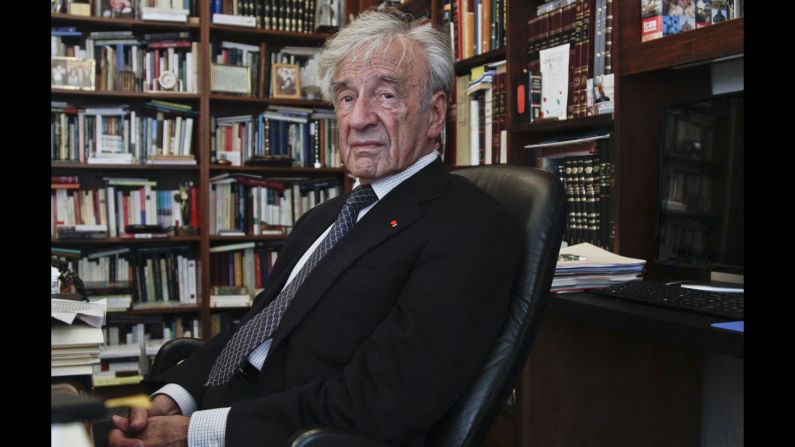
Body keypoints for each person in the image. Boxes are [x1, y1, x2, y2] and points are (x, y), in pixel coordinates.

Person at [109, 8, 521, 447]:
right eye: (346, 97)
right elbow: (254, 331)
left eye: (385, 95)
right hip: (220, 414)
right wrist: (170, 400)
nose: (358, 118)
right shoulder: (323, 218)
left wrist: (191, 433)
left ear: (435, 115)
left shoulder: (472, 230)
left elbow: (378, 403)